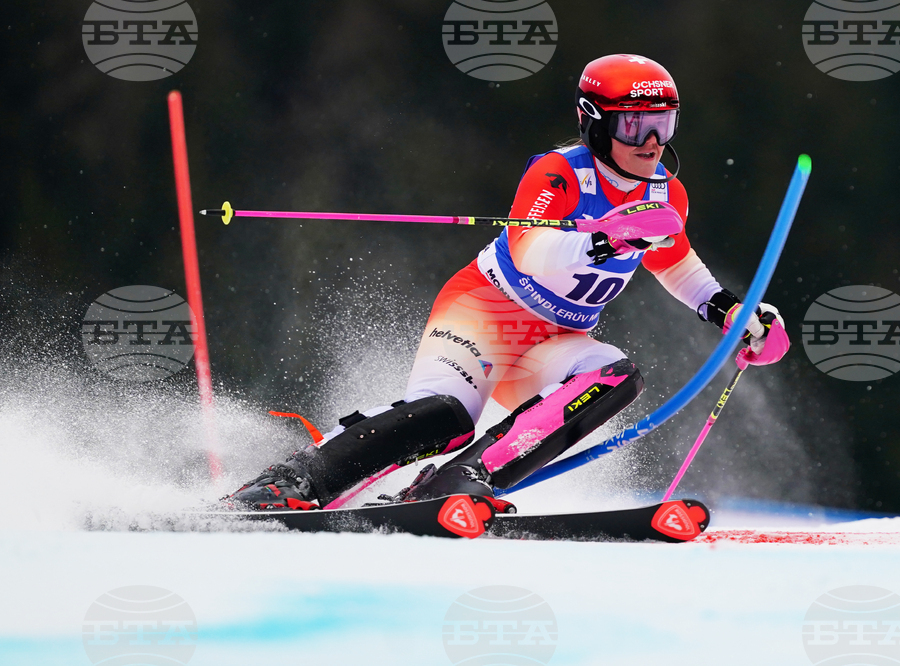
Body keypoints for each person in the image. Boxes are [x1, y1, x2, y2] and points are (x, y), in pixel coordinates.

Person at [225, 54, 790, 511]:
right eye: (635, 125)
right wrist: (612, 237)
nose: (652, 142)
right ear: (595, 122)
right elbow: (533, 250)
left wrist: (735, 315)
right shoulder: (560, 173)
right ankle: (294, 482)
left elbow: (677, 264)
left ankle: (459, 483)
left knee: (614, 375)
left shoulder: (666, 192)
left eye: (663, 125)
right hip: (486, 312)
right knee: (447, 416)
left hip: (555, 339)